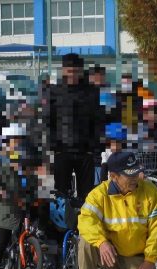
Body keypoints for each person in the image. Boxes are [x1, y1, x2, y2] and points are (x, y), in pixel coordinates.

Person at [75, 151, 157, 269]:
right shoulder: (99, 194)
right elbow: (86, 220)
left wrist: (150, 260)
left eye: (136, 172)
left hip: (136, 257)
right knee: (85, 242)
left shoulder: (150, 192)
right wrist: (102, 243)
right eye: (129, 175)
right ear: (113, 176)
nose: (135, 178)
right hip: (109, 255)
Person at [0, 123, 40, 269]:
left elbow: (29, 184)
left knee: (21, 234)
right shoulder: (0, 160)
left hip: (18, 206)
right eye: (14, 140)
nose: (17, 143)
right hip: (3, 208)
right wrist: (1, 191)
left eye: (19, 140)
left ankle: (16, 267)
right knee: (4, 238)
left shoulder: (23, 159)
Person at [46, 53, 105, 201]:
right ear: (63, 70)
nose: (72, 74)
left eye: (75, 71)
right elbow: (48, 121)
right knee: (61, 195)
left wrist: (96, 150)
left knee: (86, 196)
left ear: (81, 71)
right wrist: (52, 145)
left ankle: (83, 224)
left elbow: (98, 122)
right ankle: (61, 224)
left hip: (85, 153)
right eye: (69, 71)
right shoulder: (54, 92)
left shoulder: (91, 92)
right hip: (62, 152)